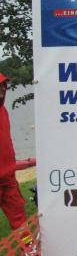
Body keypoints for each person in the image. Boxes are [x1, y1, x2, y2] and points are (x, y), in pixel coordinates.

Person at [0, 73, 26, 231]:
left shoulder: (3, 111)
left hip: (9, 180)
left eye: (3, 85)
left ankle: (29, 246)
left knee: (21, 222)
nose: (3, 88)